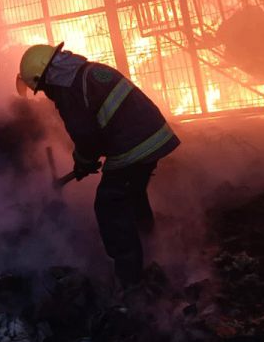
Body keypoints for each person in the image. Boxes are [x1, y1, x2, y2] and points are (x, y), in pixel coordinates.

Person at [16, 43, 180, 288]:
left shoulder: (67, 90)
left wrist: (83, 161)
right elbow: (104, 122)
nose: (45, 94)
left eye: (41, 89)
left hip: (134, 145)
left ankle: (130, 280)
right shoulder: (86, 72)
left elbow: (86, 136)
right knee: (132, 193)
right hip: (152, 134)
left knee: (109, 203)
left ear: (45, 78)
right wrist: (89, 158)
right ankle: (151, 246)